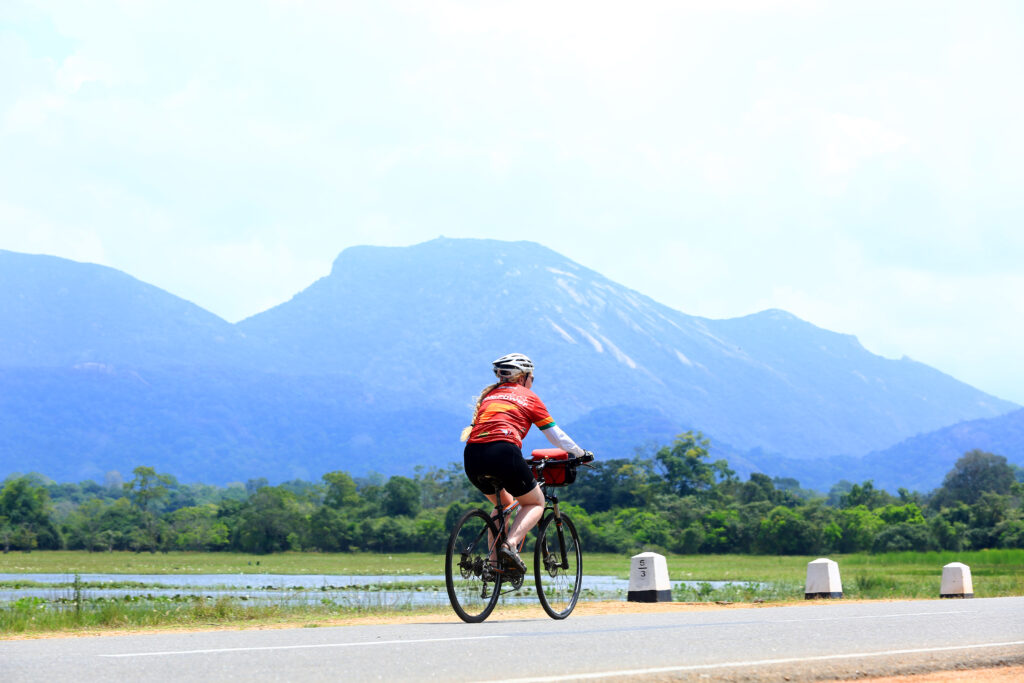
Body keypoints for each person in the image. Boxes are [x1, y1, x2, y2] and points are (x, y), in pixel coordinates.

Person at [461, 353, 591, 572]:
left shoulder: (490, 397)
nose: (532, 382)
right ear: (523, 378)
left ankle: (494, 565)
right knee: (534, 503)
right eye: (532, 378)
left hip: (472, 455)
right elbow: (555, 435)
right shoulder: (528, 396)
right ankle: (510, 546)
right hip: (504, 451)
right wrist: (580, 453)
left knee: (502, 506)